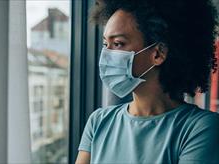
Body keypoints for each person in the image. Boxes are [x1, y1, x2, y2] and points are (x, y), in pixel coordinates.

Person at [76, 0, 219, 163]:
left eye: (118, 44)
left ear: (158, 54)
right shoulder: (98, 122)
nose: (106, 55)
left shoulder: (202, 128)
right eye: (105, 44)